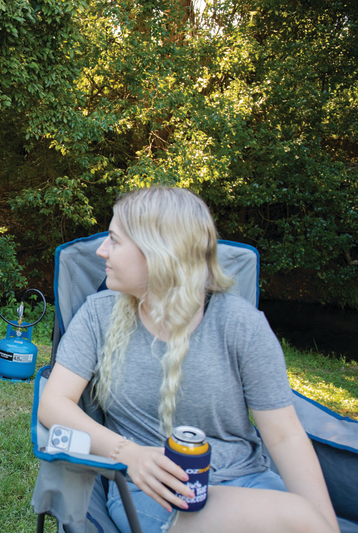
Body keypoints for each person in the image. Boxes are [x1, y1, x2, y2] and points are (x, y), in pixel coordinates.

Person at [38, 186, 339, 533]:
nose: (102, 251)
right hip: (156, 492)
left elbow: (285, 435)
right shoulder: (98, 316)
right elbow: (54, 403)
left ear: (159, 253)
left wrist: (323, 522)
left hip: (249, 482)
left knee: (304, 519)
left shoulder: (241, 326)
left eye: (115, 241)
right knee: (297, 520)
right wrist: (127, 453)